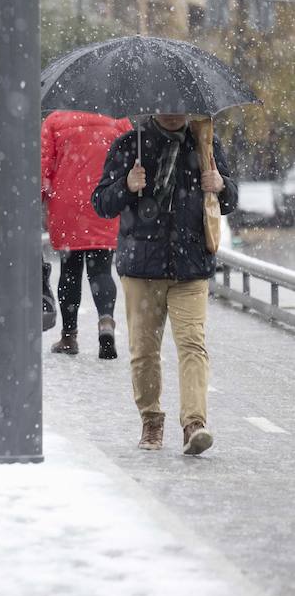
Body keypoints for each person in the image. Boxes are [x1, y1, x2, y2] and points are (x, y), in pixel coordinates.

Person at [92, 113, 237, 455]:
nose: (173, 113)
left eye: (180, 106)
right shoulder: (130, 144)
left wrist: (221, 185)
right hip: (142, 269)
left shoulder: (205, 143)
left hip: (191, 267)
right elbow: (101, 203)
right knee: (144, 352)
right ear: (152, 106)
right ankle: (151, 420)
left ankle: (194, 424)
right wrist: (127, 185)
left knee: (193, 346)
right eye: (166, 105)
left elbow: (230, 201)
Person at [42, 110, 134, 359]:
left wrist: (39, 195)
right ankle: (106, 322)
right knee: (102, 270)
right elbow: (133, 160)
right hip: (104, 203)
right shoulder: (118, 119)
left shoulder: (55, 120)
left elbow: (43, 167)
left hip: (66, 205)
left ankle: (69, 336)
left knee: (69, 271)